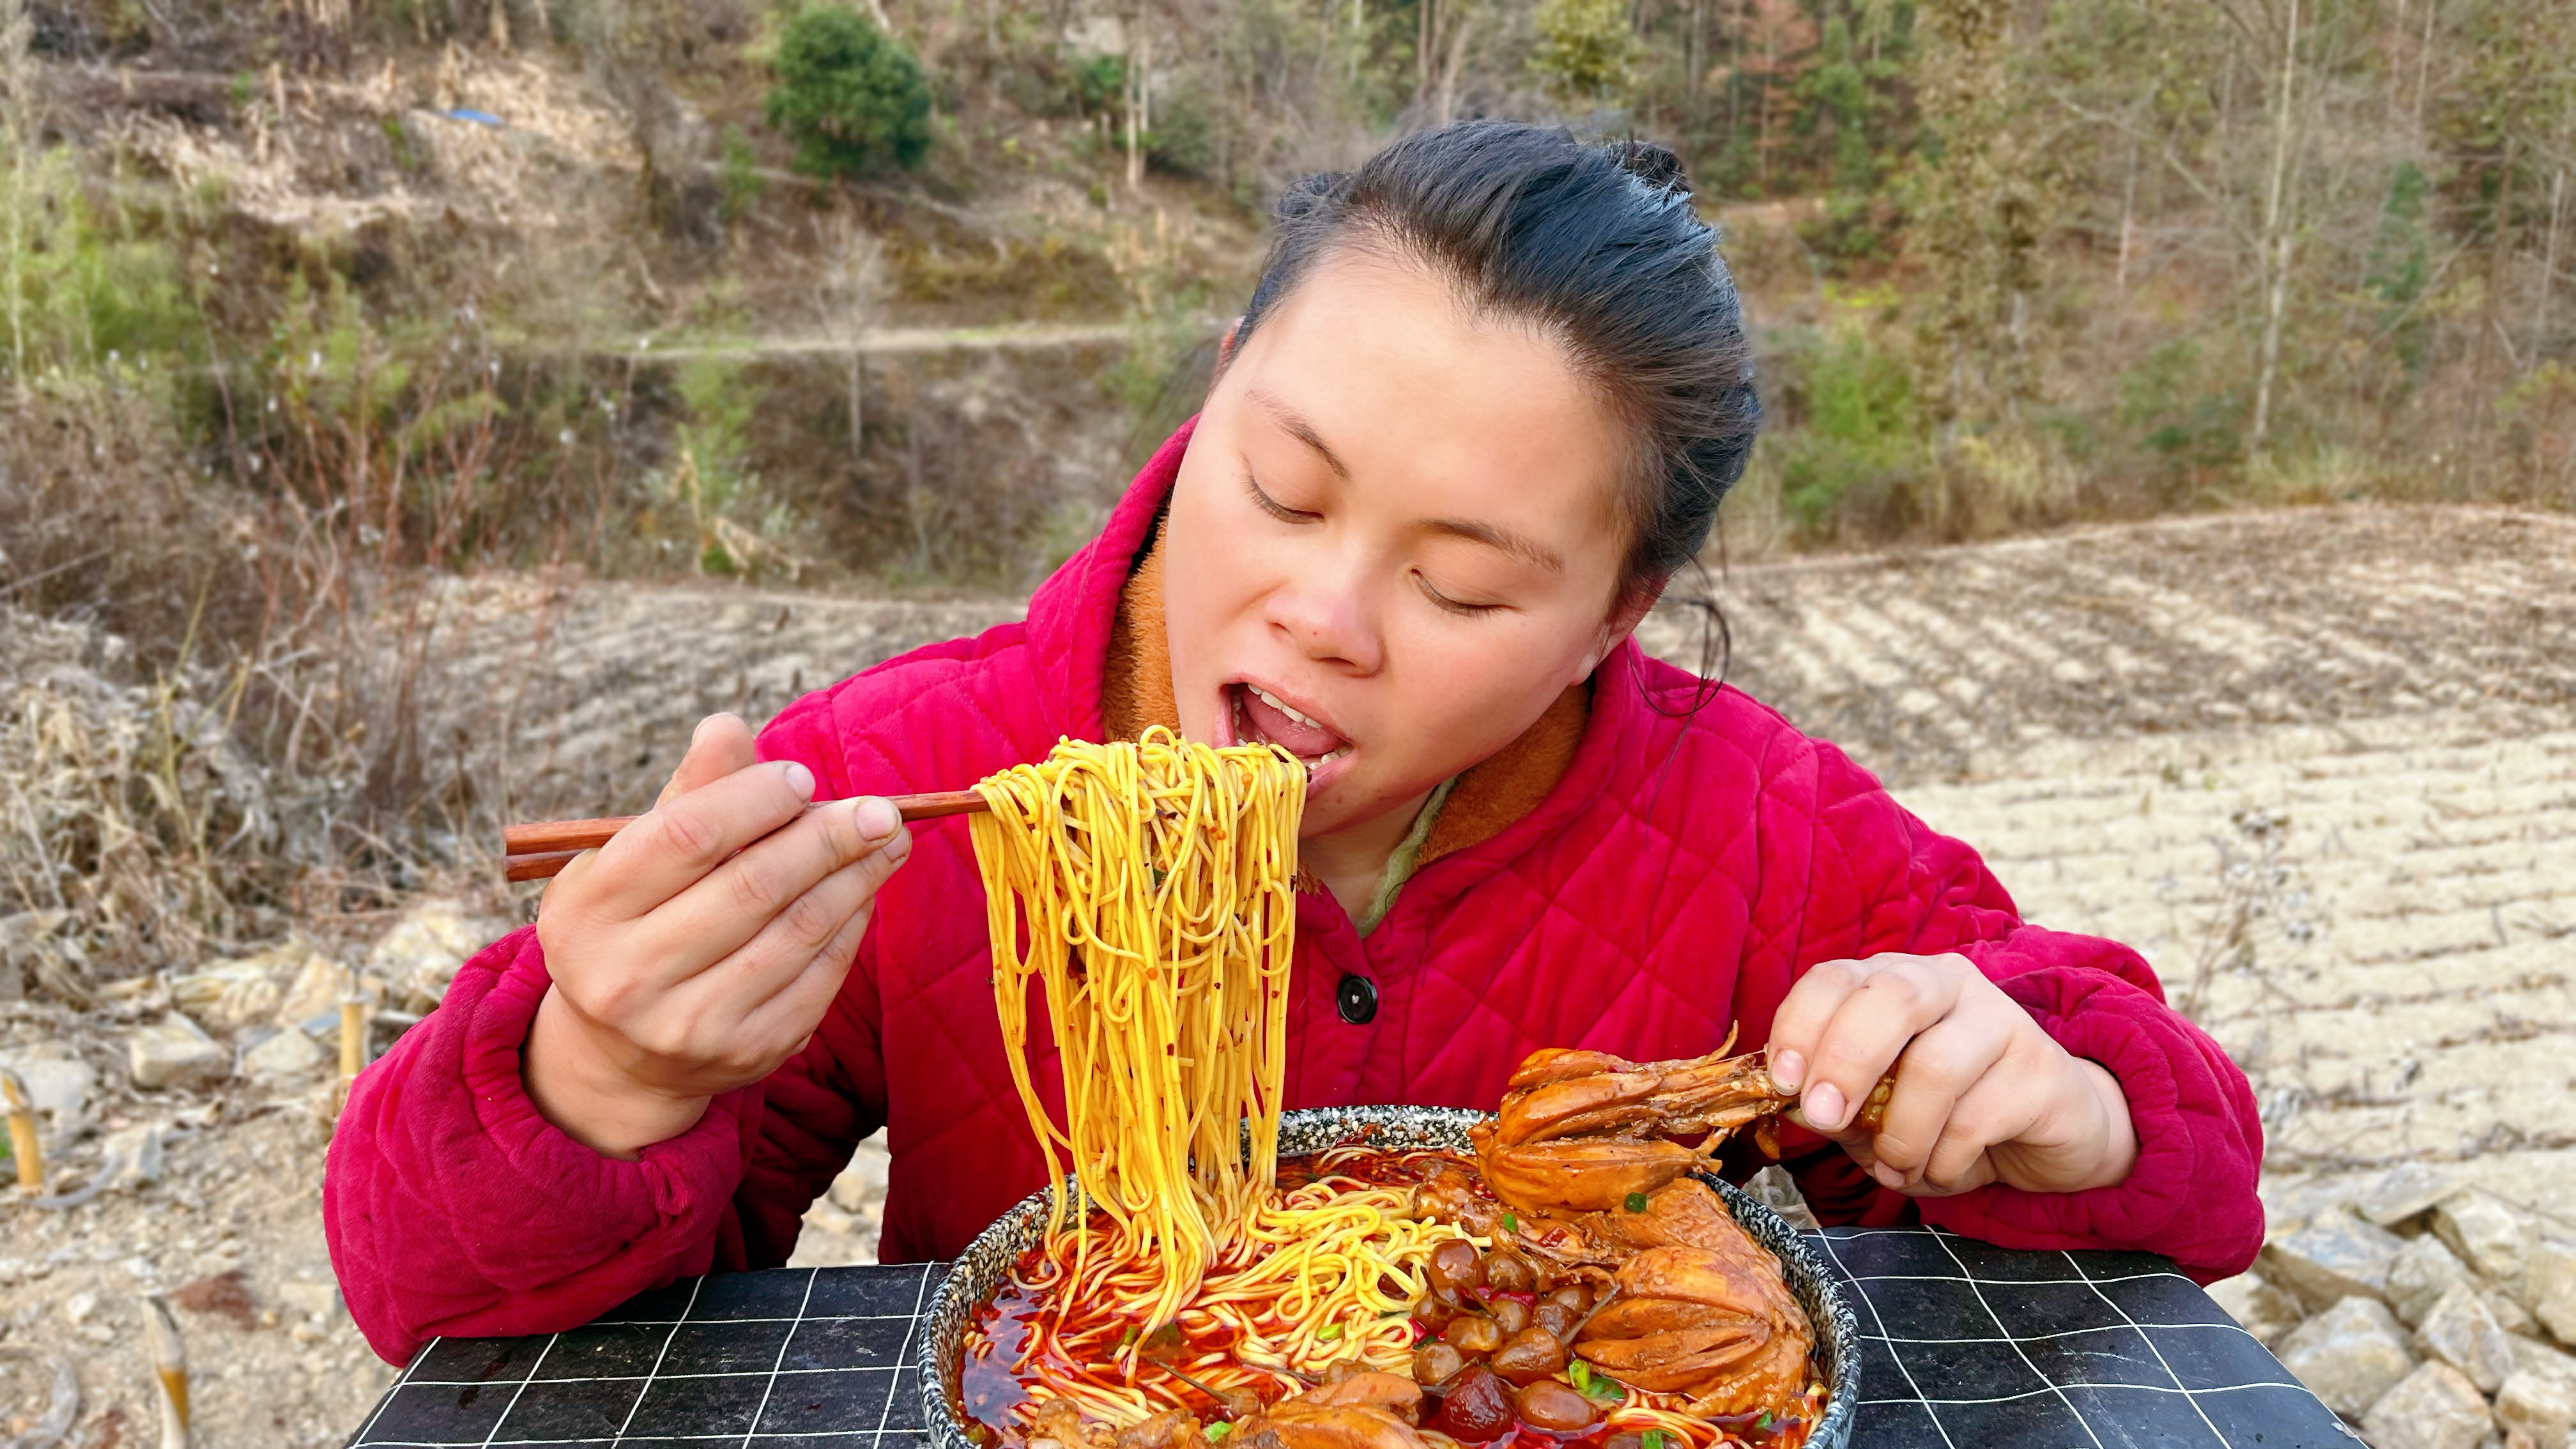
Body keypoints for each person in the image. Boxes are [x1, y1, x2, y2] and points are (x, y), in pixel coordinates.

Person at [325, 120, 2262, 1365]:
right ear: (1215, 394)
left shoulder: (1749, 821)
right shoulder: (907, 776)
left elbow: (2185, 1164)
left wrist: (2049, 1098)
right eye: (1280, 480)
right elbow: (421, 1287)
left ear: (1612, 619)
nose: (1322, 614)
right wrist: (598, 1067)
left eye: (1470, 583)